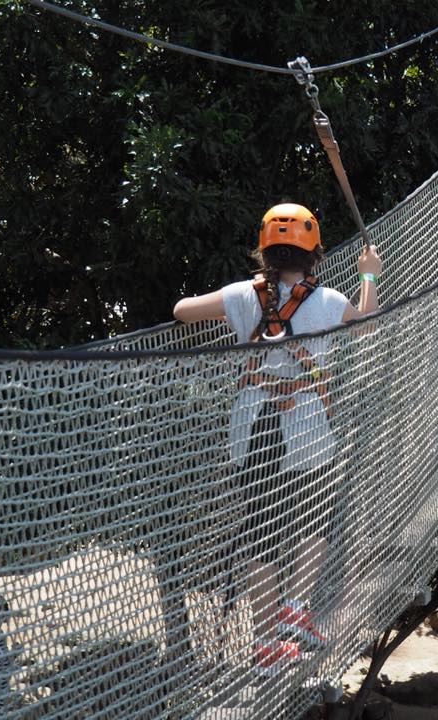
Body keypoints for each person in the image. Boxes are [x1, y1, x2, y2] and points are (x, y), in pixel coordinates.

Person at [173, 203, 381, 677]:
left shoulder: (244, 294)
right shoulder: (328, 301)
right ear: (314, 254)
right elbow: (369, 325)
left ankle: (265, 644)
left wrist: (237, 301)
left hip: (252, 434)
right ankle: (295, 607)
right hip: (308, 432)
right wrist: (369, 275)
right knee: (315, 522)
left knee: (261, 534)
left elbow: (182, 312)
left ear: (265, 250)